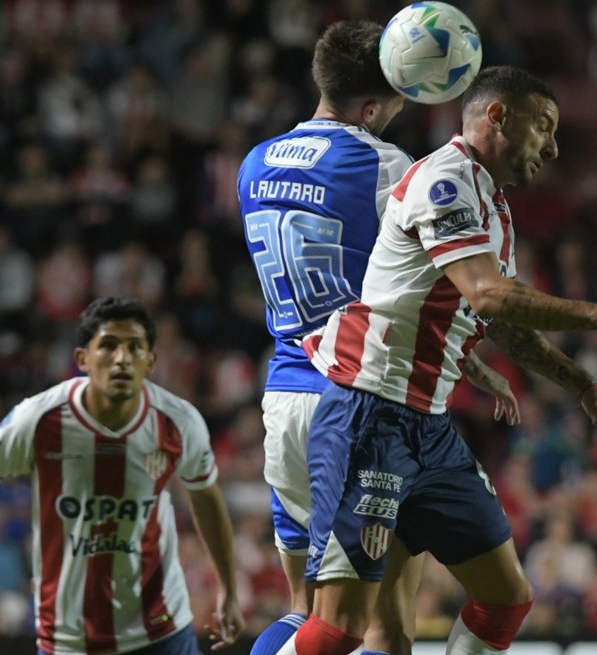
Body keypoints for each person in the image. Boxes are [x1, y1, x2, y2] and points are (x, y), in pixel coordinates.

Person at [291, 66, 597, 655]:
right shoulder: (444, 180)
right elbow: (489, 294)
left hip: (429, 425)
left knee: (504, 600)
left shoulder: (491, 204)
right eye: (544, 127)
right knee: (343, 630)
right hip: (368, 416)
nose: (552, 147)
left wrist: (581, 385)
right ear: (497, 116)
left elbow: (501, 322)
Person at [236, 20, 519, 655]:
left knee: (321, 615)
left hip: (283, 395)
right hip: (358, 397)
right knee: (364, 628)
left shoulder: (254, 164)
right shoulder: (388, 165)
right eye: (394, 105)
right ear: (371, 105)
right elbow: (421, 275)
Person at [0, 297, 245, 655]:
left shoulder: (179, 421)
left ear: (150, 360)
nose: (122, 359)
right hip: (69, 638)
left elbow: (205, 494)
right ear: (82, 359)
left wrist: (229, 589)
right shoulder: (38, 419)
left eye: (134, 348)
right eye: (109, 346)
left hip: (161, 629)